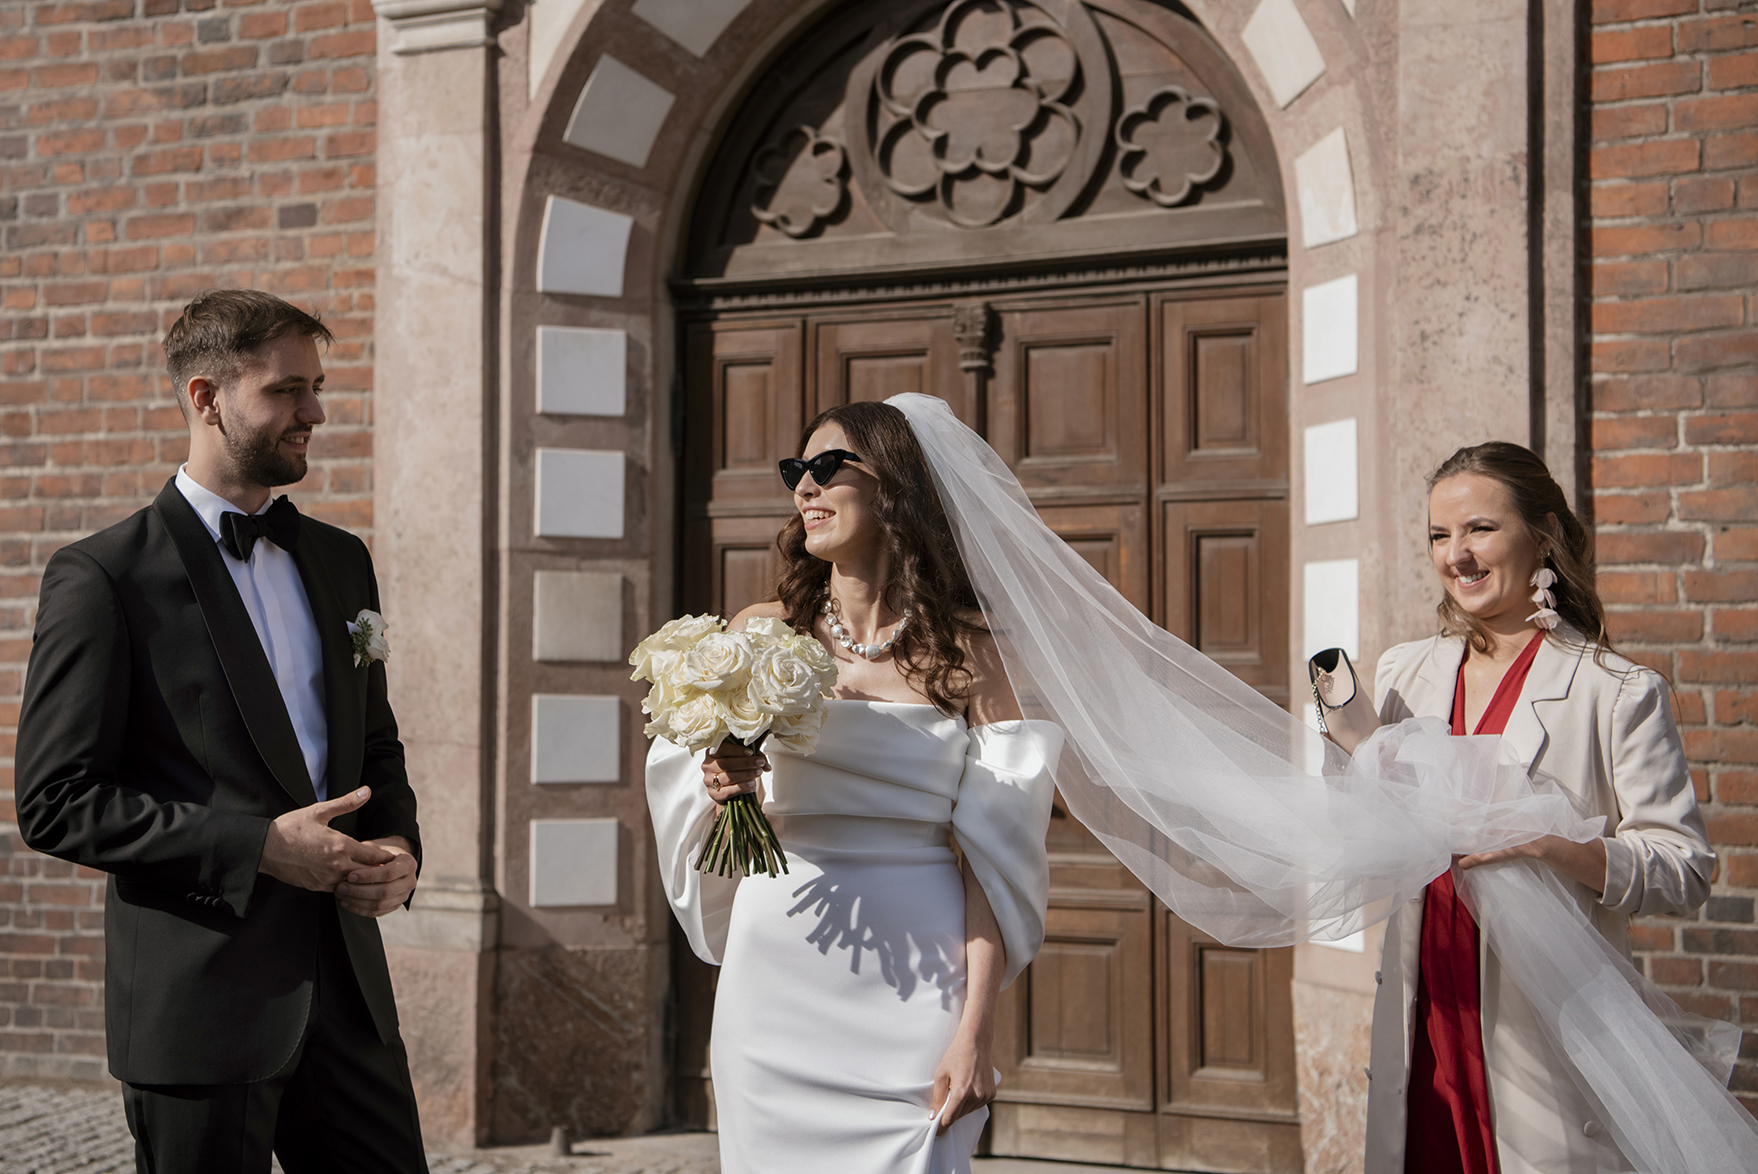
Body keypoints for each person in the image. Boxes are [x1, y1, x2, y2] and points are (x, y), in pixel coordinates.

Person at [15, 290, 427, 1174]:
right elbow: (56, 802)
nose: (314, 412)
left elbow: (375, 743)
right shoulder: (103, 577)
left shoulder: (341, 559)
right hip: (197, 1006)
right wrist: (258, 849)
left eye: (316, 388)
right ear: (206, 398)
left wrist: (398, 842)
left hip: (349, 1003)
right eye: (286, 390)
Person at [645, 401, 1062, 1174]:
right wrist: (719, 783)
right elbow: (699, 788)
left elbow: (995, 861)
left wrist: (977, 1031)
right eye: (795, 471)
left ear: (894, 485)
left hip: (920, 973)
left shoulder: (974, 652)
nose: (804, 487)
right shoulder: (758, 633)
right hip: (776, 971)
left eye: (827, 467)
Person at [1362, 442, 1713, 1174]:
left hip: (1542, 1030)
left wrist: (1554, 846)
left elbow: (1684, 870)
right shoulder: (1403, 673)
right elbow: (1370, 828)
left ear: (1544, 535)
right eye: (1439, 535)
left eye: (1480, 529)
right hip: (1426, 1016)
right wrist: (1351, 757)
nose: (1456, 555)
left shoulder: (1616, 691)